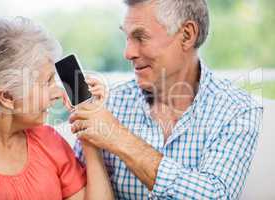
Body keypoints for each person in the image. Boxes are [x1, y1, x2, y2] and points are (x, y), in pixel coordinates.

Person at [70, 0, 263, 199]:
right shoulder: (107, 105)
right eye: (127, 38)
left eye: (140, 37)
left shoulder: (238, 110)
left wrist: (118, 136)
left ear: (187, 35)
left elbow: (216, 195)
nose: (128, 53)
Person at [0, 17, 114, 200]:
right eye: (47, 82)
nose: (58, 92)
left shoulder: (49, 140)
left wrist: (88, 137)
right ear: (7, 97)